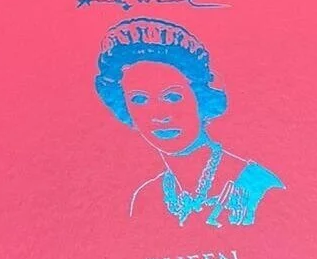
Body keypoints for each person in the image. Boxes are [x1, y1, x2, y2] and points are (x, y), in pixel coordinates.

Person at [94, 17, 284, 227]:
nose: (159, 115)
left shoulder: (261, 190)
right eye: (139, 100)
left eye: (172, 97)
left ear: (201, 98)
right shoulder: (146, 198)